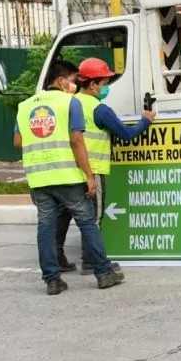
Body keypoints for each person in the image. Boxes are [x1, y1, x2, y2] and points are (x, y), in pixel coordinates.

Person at [13, 60, 123, 294]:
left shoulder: (25, 106)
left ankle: (52, 280)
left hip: (39, 178)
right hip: (68, 176)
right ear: (61, 80)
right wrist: (89, 176)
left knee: (45, 226)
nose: (75, 85)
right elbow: (77, 141)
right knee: (87, 222)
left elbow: (18, 142)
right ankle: (104, 273)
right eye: (73, 80)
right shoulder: (70, 102)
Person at [55, 57, 156, 274]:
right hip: (93, 171)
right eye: (104, 83)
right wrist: (146, 121)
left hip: (68, 170)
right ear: (93, 85)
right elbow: (126, 134)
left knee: (63, 214)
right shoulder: (100, 110)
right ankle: (91, 261)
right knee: (93, 218)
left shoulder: (68, 103)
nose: (106, 87)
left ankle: (57, 259)